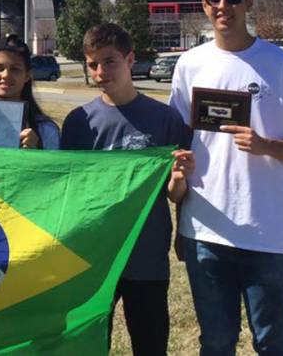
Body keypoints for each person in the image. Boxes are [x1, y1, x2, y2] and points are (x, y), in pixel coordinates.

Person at [168, 0, 283, 355]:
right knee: (216, 342)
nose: (224, 6)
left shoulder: (282, 65)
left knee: (272, 339)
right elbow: (179, 145)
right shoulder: (189, 65)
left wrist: (267, 145)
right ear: (204, 6)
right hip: (206, 231)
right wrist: (179, 220)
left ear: (248, 2)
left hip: (268, 231)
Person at [60, 23, 195, 356]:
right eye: (93, 64)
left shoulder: (165, 119)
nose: (101, 71)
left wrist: (178, 181)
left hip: (146, 255)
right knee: (88, 346)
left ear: (130, 59)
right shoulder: (79, 121)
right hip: (93, 257)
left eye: (110, 61)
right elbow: (69, 190)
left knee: (150, 346)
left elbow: (174, 194)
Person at [0, 34, 60, 149]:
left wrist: (38, 150)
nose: (6, 75)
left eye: (15, 69)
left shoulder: (46, 130)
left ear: (27, 75)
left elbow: (54, 167)